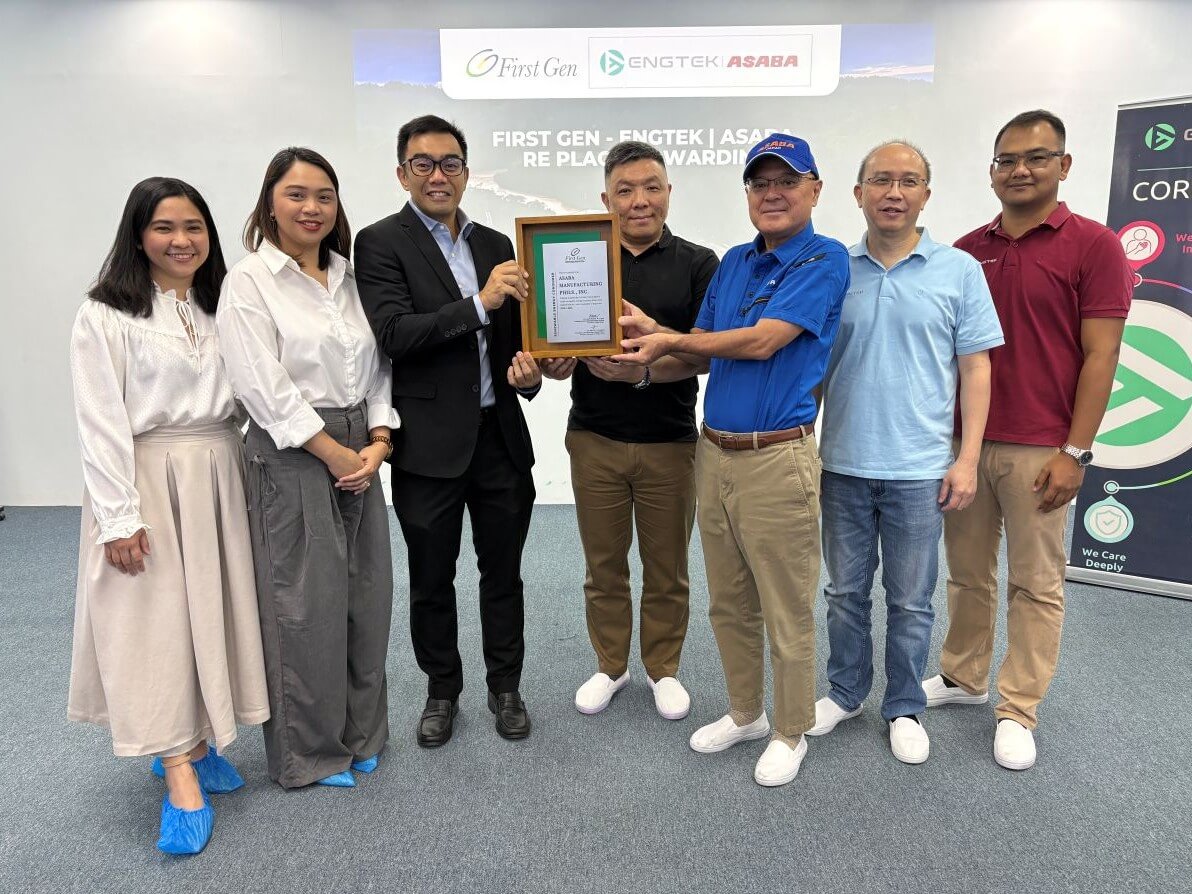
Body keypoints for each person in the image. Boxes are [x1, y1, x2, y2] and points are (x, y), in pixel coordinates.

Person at [612, 133, 849, 786]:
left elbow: (762, 342)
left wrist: (667, 336)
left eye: (787, 181)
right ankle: (745, 712)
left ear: (815, 190)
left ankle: (790, 729)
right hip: (712, 454)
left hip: (778, 460)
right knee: (729, 602)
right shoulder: (736, 263)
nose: (772, 193)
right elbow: (697, 356)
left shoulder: (825, 260)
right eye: (759, 183)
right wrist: (633, 363)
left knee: (786, 606)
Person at [924, 110, 1132, 770]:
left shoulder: (1094, 246)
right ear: (991, 172)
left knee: (1036, 582)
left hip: (1042, 447)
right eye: (1007, 160)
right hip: (967, 444)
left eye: (1037, 158)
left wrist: (1075, 452)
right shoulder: (963, 249)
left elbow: (1102, 356)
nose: (1020, 170)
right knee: (967, 572)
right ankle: (964, 676)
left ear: (1063, 166)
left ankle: (1019, 706)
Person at [68, 177, 269, 854]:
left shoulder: (223, 306)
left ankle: (203, 737)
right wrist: (119, 518)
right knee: (153, 624)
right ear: (137, 235)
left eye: (194, 228)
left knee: (212, 610)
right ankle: (177, 768)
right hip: (145, 477)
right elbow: (99, 424)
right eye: (164, 228)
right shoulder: (105, 315)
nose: (181, 241)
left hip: (220, 469)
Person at [807, 141, 1003, 764]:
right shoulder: (834, 268)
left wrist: (966, 458)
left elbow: (976, 370)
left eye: (909, 181)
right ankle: (844, 693)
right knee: (844, 594)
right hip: (842, 462)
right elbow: (811, 366)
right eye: (881, 180)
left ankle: (904, 707)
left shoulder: (958, 270)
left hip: (920, 470)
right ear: (858, 192)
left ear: (926, 193)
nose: (895, 191)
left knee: (913, 599)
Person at [355, 115, 541, 746]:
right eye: (424, 164)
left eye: (450, 163)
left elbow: (515, 344)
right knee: (432, 578)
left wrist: (529, 375)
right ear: (402, 172)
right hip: (427, 445)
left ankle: (506, 685)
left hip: (499, 438)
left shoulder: (497, 244)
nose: (438, 175)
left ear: (466, 170)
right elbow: (393, 335)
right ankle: (442, 690)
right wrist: (478, 305)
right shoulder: (379, 243)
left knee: (503, 572)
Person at [217, 147, 399, 789]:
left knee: (368, 597)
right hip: (294, 451)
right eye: (297, 195)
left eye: (324, 195)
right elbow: (260, 385)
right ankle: (313, 752)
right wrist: (334, 451)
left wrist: (378, 439)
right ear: (270, 201)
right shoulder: (249, 281)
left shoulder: (349, 276)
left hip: (359, 447)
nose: (312, 207)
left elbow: (377, 367)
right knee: (305, 607)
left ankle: (362, 732)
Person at [541, 141, 718, 720]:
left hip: (671, 441)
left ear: (668, 192)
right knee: (604, 565)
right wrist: (554, 358)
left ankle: (662, 668)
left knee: (668, 567)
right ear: (606, 198)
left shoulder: (698, 263)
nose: (639, 200)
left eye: (651, 187)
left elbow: (703, 355)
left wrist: (643, 367)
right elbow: (558, 342)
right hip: (594, 437)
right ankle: (610, 665)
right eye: (625, 190)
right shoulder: (578, 260)